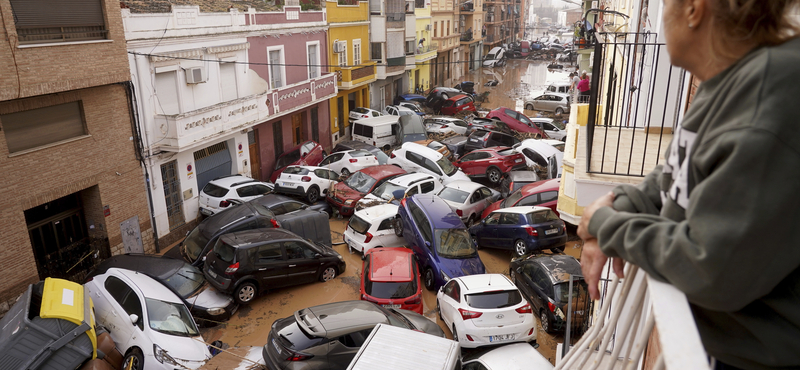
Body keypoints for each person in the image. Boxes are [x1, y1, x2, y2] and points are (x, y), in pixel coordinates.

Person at [577, 1, 800, 369]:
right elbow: (671, 177)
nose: (660, 18)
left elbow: (711, 268)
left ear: (695, 9)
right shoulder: (728, 81)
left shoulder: (769, 100)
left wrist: (604, 225)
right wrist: (619, 205)